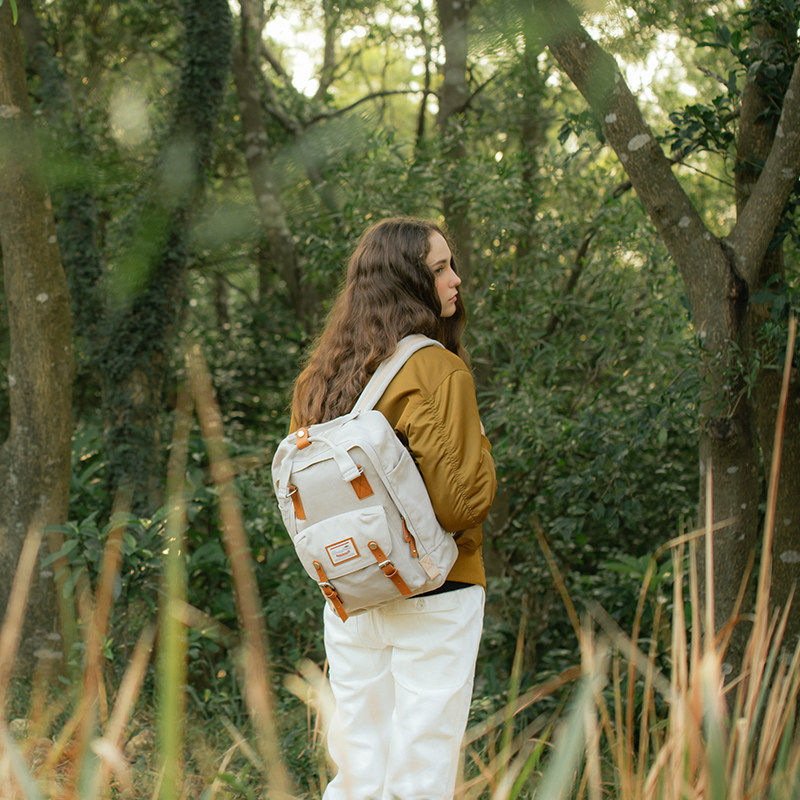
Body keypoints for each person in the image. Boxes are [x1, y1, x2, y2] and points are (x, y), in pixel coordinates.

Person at [290, 216, 497, 800]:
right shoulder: (433, 367)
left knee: (358, 771)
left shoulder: (321, 377)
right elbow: (463, 504)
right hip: (437, 591)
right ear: (409, 282)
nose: (456, 280)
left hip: (353, 594)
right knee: (420, 774)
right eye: (440, 268)